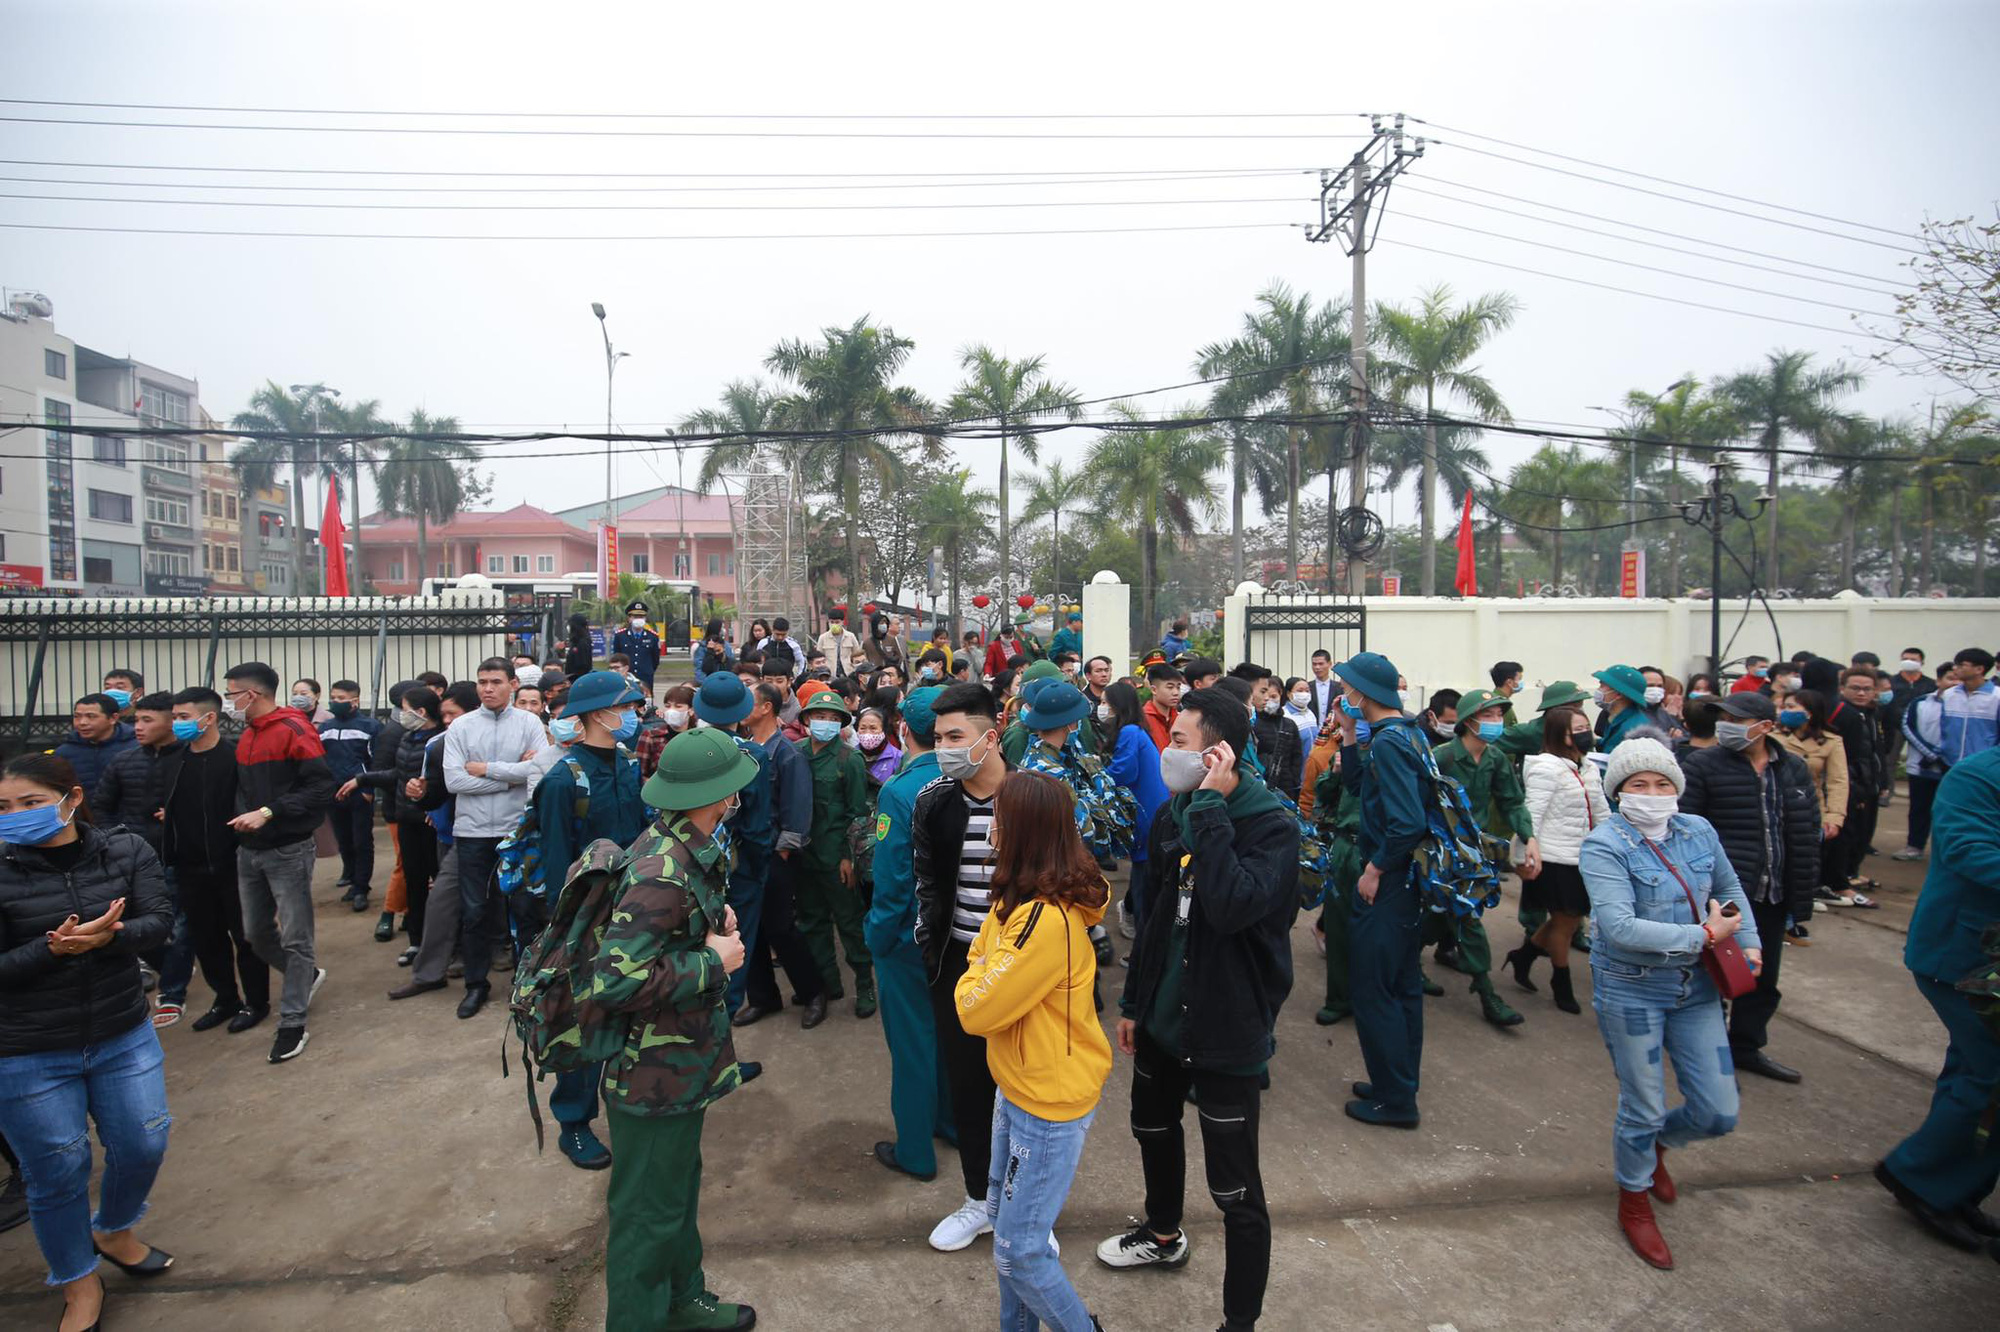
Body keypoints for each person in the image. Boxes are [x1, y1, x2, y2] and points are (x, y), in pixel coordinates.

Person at [1096, 686, 1298, 1332]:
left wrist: (1209, 807)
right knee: (1152, 1128)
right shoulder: (1173, 815)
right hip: (1162, 1015)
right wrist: (1133, 1001)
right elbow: (1157, 916)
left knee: (1236, 1190)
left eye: (1178, 742)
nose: (1167, 753)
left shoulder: (1270, 825)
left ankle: (1240, 1321)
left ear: (1218, 754)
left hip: (1226, 1029)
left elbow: (1234, 904)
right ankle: (1161, 1234)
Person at [0, 753, 178, 1332]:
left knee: (144, 1143)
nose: (16, 816)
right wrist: (50, 950)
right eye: (2, 808)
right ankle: (77, 1280)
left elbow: (159, 923)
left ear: (71, 799)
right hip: (25, 1047)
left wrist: (112, 934)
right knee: (55, 1168)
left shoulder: (125, 850)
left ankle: (114, 1227)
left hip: (121, 1031)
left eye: (29, 803)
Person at [589, 727, 759, 1332]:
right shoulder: (661, 869)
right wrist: (713, 961)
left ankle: (683, 1301)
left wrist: (714, 922)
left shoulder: (688, 845)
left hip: (684, 1063)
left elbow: (671, 930)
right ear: (720, 797)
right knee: (646, 1216)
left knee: (676, 1194)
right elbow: (614, 981)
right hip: (652, 1076)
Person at [1577, 738, 1761, 1271]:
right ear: (1619, 792)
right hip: (1632, 988)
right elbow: (1619, 927)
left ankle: (1655, 1146)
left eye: (1662, 784)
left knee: (1718, 1112)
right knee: (1643, 1104)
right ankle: (1633, 1198)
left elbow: (1729, 886)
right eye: (1639, 785)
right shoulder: (1605, 844)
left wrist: (1747, 941)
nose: (1652, 795)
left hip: (1697, 990)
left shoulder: (1697, 830)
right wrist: (1706, 934)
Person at [956, 771, 1113, 1332]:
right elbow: (984, 953)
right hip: (1020, 1085)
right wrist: (983, 964)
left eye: (999, 818)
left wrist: (976, 971)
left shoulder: (1043, 919)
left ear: (1021, 830)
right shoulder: (1020, 898)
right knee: (1008, 1235)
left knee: (1020, 1250)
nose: (992, 827)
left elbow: (974, 1010)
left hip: (1046, 1104)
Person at [1878, 742, 2000, 1256]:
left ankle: (1953, 1189)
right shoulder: (1977, 777)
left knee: (1971, 1071)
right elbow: (1971, 850)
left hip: (1981, 960)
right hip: (1965, 957)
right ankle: (1917, 1175)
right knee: (1990, 1076)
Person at [525, 669, 647, 1171]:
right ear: (600, 714)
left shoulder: (628, 765)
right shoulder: (562, 780)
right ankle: (573, 1122)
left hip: (630, 911)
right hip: (583, 923)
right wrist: (566, 936)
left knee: (630, 1009)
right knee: (579, 1021)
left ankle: (623, 1096)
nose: (636, 718)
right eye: (630, 708)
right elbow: (557, 865)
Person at [912, 683, 1011, 1252]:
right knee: (969, 1089)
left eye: (956, 737)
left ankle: (1023, 1210)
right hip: (959, 969)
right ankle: (980, 1199)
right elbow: (928, 885)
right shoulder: (934, 801)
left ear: (990, 737)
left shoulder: (1037, 795)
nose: (945, 747)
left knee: (1021, 1094)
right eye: (939, 737)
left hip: (1022, 973)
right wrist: (934, 950)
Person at [1677, 691, 1819, 1084]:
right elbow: (1685, 830)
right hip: (1722, 895)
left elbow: (1806, 831)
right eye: (1722, 718)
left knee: (1761, 976)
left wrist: (1802, 891)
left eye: (1736, 720)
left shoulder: (1792, 768)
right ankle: (1709, 1056)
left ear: (1766, 727)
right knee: (1715, 975)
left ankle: (1745, 1047)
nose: (1726, 726)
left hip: (1772, 890)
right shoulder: (1703, 764)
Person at [1327, 650, 1435, 1131]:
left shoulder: (1392, 742)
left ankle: (1396, 1102)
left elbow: (1407, 822)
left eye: (1347, 687)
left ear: (1363, 694)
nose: (1342, 693)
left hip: (1390, 880)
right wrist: (1348, 735)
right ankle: (1398, 1084)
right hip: (1405, 881)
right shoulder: (1404, 732)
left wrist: (1374, 868)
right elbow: (1356, 784)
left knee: (1376, 991)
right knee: (1402, 985)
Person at [221, 661, 335, 1064]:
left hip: (287, 848)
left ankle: (292, 1022)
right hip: (249, 849)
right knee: (255, 933)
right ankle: (303, 975)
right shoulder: (248, 733)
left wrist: (268, 812)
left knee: (296, 937)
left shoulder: (294, 729)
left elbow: (321, 786)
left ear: (252, 694)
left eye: (232, 693)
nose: (228, 702)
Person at [865, 687, 950, 1184]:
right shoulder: (976, 779)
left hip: (908, 940)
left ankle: (916, 1150)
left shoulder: (900, 791)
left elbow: (893, 881)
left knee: (913, 1043)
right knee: (952, 1037)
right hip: (959, 935)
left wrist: (876, 936)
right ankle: (952, 1123)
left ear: (903, 729)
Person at [443, 658, 546, 1022]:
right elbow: (454, 782)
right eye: (482, 682)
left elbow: (537, 770)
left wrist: (485, 769)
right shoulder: (462, 727)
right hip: (471, 832)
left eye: (495, 681)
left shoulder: (530, 723)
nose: (487, 688)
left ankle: (524, 980)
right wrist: (510, 777)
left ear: (513, 684)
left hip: (515, 830)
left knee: (522, 908)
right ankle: (476, 984)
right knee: (474, 911)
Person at [163, 688, 271, 1034]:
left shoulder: (236, 758)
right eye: (175, 717)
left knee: (246, 937)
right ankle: (226, 998)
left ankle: (257, 1001)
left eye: (183, 717)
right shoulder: (174, 762)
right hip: (190, 865)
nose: (176, 723)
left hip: (234, 863)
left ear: (208, 718)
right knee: (207, 938)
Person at [1427, 689, 1530, 1028]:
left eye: (1499, 716)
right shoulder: (1441, 757)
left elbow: (1512, 801)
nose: (1496, 723)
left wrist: (1529, 838)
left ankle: (1458, 964)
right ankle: (1484, 991)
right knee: (1444, 914)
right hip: (1440, 847)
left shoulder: (1496, 758)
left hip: (1475, 853)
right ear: (1469, 721)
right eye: (1488, 716)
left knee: (1460, 912)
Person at [734, 683, 831, 1031]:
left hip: (775, 854)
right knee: (748, 929)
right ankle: (762, 997)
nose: (743, 708)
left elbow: (797, 809)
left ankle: (813, 991)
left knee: (781, 927)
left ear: (766, 708)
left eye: (750, 702)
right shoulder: (741, 750)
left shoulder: (787, 754)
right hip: (743, 853)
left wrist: (784, 852)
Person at [1509, 705, 1611, 1014]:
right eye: (1577, 729)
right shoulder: (1545, 768)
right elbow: (1531, 815)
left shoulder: (1588, 767)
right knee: (1567, 922)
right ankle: (1560, 981)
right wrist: (1521, 856)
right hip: (1552, 859)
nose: (1585, 734)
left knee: (1566, 919)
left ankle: (1524, 956)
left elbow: (1601, 810)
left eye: (1586, 726)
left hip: (1583, 856)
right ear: (1560, 735)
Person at [793, 692, 875, 1016]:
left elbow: (857, 813)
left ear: (841, 723)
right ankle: (829, 983)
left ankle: (865, 985)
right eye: (818, 716)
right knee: (812, 922)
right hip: (804, 854)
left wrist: (848, 858)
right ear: (805, 721)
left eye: (832, 718)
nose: (824, 723)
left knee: (850, 923)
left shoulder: (848, 759)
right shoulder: (795, 754)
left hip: (835, 856)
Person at [395, 683, 476, 998]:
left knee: (490, 905)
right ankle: (431, 971)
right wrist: (422, 795)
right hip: (456, 833)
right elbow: (436, 793)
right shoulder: (438, 746)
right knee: (443, 900)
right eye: (444, 715)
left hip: (500, 833)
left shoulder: (510, 737)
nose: (446, 721)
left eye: (452, 714)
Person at [358, 685, 444, 969]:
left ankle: (444, 943)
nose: (400, 714)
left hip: (431, 822)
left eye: (404, 709)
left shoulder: (442, 740)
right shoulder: (407, 737)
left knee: (440, 884)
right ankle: (416, 942)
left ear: (420, 712)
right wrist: (363, 779)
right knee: (414, 882)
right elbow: (399, 773)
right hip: (407, 819)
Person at [1773, 688, 1852, 920]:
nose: (1785, 711)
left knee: (1802, 862)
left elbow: (1838, 781)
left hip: (1809, 809)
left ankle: (1798, 907)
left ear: (1810, 713)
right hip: (1775, 805)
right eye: (1783, 706)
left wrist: (1834, 816)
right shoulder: (1772, 737)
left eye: (1792, 707)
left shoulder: (1831, 741)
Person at [1100, 679, 1168, 938]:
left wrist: (1095, 778)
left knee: (1143, 881)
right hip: (1151, 812)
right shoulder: (1137, 730)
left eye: (1106, 703)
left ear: (1118, 705)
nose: (1103, 707)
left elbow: (1123, 772)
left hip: (1145, 816)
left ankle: (1142, 943)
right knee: (1145, 877)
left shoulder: (1129, 732)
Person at [316, 680, 382, 915]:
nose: (335, 702)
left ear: (355, 701)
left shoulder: (370, 726)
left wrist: (368, 790)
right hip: (334, 793)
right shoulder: (325, 728)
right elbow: (320, 760)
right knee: (343, 839)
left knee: (361, 840)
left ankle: (362, 888)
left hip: (358, 792)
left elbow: (376, 762)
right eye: (333, 697)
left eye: (341, 698)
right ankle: (352, 879)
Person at [54, 694, 136, 796]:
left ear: (113, 718)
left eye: (91, 716)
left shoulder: (136, 747)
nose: (82, 722)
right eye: (77, 717)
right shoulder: (64, 753)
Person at [1246, 669, 1303, 799]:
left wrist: (1294, 780)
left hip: (1287, 785)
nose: (1268, 700)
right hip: (1263, 783)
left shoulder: (1289, 724)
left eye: (1273, 697)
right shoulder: (1253, 724)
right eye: (1264, 694)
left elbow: (1297, 756)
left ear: (1281, 695)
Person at [1591, 665, 1651, 754]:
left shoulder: (1631, 729)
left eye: (1602, 686)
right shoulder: (1619, 718)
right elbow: (1610, 744)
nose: (1598, 690)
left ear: (1618, 694)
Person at [610, 601, 663, 698]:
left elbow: (655, 660)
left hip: (645, 677)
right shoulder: (620, 636)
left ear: (645, 618)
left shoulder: (653, 636)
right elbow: (617, 657)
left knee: (646, 703)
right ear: (629, 619)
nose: (638, 619)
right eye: (635, 617)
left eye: (641, 617)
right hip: (626, 675)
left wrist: (648, 670)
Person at [1142, 663, 1182, 752]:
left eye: (1178, 687)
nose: (1175, 692)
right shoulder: (1142, 719)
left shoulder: (1180, 718)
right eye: (1170, 687)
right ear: (1154, 690)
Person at [817, 607, 864, 678]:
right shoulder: (823, 638)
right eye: (832, 622)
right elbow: (819, 656)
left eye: (837, 622)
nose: (834, 625)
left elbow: (857, 654)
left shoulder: (850, 636)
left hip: (848, 673)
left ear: (842, 622)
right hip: (830, 674)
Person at [693, 618, 735, 686]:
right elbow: (700, 668)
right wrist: (705, 684)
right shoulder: (702, 646)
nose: (723, 630)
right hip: (708, 683)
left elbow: (730, 663)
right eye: (722, 627)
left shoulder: (726, 645)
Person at [1281, 676, 1318, 747]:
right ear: (1289, 694)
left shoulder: (1310, 713)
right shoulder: (1284, 715)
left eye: (1307, 691)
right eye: (1300, 691)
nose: (1304, 694)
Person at [1305, 649, 1339, 723]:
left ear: (1329, 664)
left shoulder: (1339, 687)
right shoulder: (1306, 687)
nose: (1317, 667)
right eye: (1314, 664)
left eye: (1321, 664)